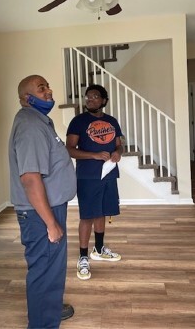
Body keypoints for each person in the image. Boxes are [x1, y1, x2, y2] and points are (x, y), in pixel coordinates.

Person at [9, 74, 77, 329]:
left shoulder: (39, 121)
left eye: (47, 86)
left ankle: (49, 310)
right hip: (41, 214)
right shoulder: (30, 125)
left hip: (48, 209)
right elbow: (30, 178)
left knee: (51, 269)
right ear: (28, 98)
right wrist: (51, 223)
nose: (48, 90)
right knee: (44, 272)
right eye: (41, 88)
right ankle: (42, 324)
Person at [66, 84, 123, 280]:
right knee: (87, 216)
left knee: (101, 211)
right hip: (87, 176)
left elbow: (119, 145)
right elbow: (70, 149)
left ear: (104, 100)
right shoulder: (78, 121)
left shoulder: (112, 121)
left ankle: (98, 249)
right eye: (88, 97)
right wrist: (94, 155)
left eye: (95, 97)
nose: (90, 100)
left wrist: (117, 153)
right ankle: (82, 257)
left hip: (108, 174)